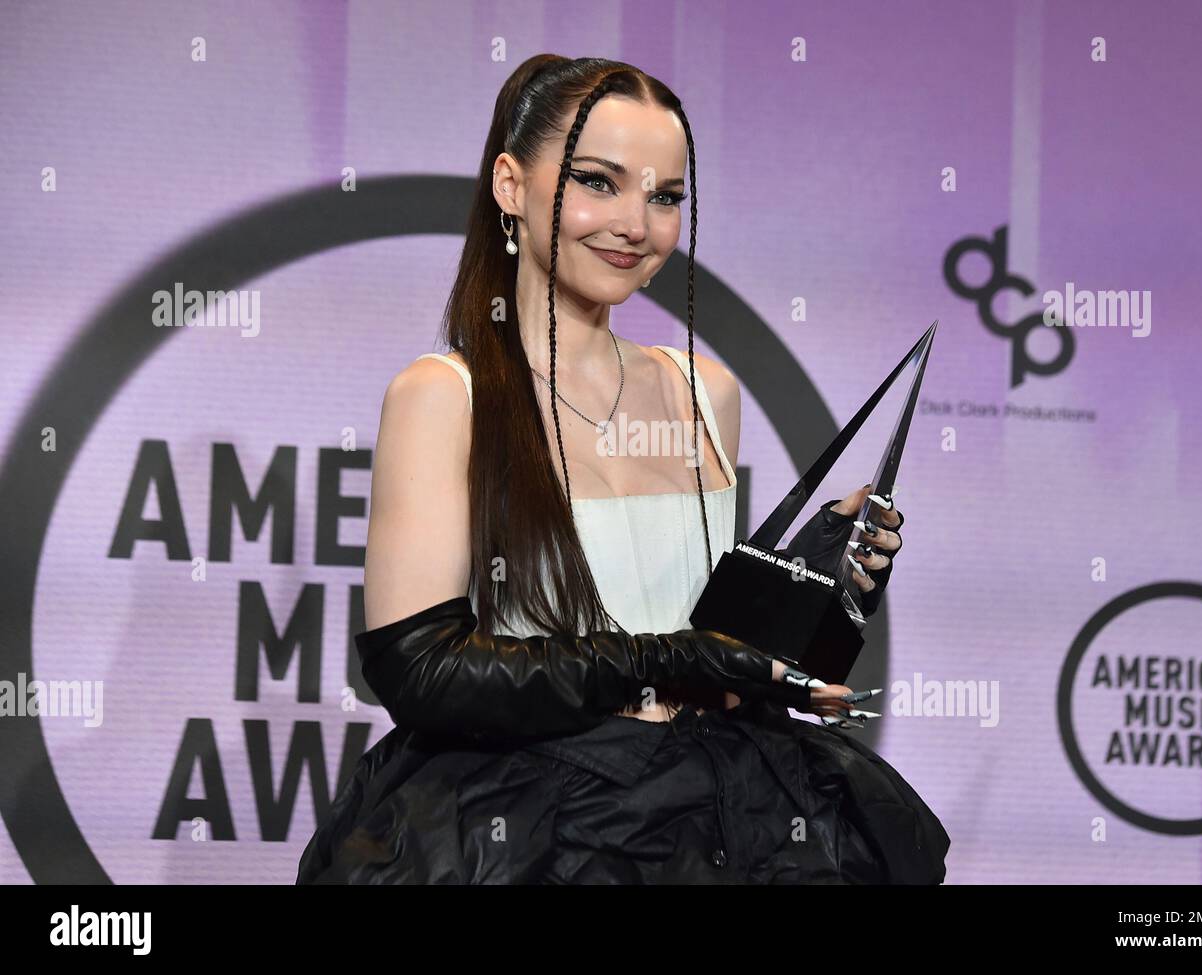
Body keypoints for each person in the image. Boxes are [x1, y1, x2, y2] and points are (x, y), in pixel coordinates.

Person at [296, 54, 949, 884]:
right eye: (599, 182)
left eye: (665, 196)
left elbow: (707, 653)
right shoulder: (444, 397)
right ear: (510, 184)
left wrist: (805, 598)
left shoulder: (705, 392)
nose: (636, 224)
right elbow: (421, 673)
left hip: (719, 824)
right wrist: (668, 659)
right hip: (528, 833)